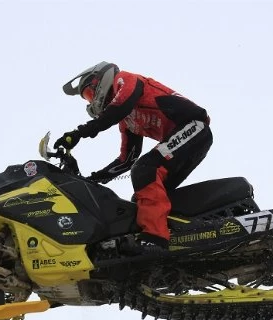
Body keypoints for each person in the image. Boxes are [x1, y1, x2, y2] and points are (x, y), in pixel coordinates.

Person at [54, 62, 213, 253]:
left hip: (194, 126)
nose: (91, 101)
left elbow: (120, 107)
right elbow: (126, 160)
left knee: (146, 169)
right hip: (188, 138)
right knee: (142, 197)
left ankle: (155, 238)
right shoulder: (127, 121)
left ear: (100, 80)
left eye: (89, 94)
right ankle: (184, 233)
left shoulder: (125, 79)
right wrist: (91, 180)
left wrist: (79, 133)